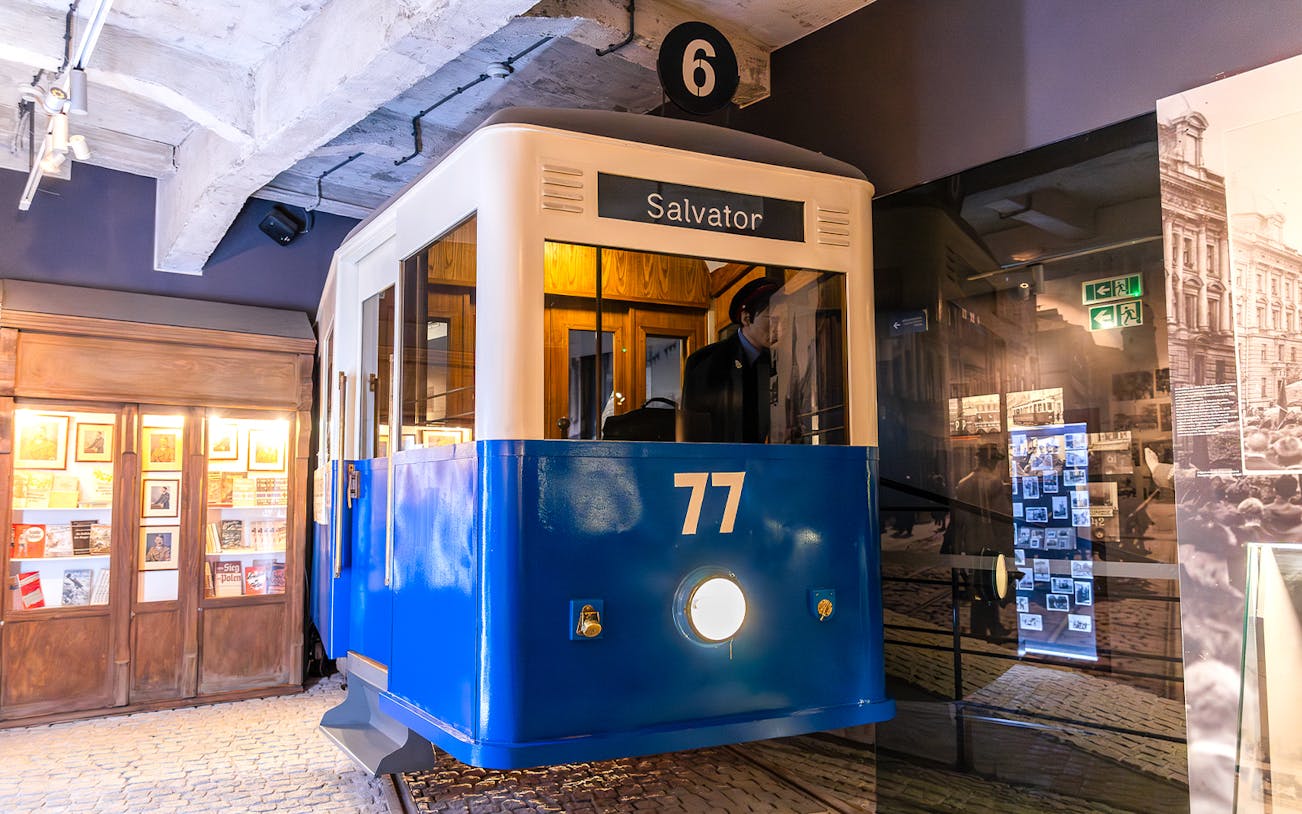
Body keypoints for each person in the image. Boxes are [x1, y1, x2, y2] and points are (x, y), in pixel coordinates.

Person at [680, 277, 782, 443]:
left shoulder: (776, 363)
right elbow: (693, 431)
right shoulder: (706, 362)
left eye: (781, 319)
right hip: (719, 464)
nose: (778, 327)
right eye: (771, 319)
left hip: (764, 464)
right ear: (746, 318)